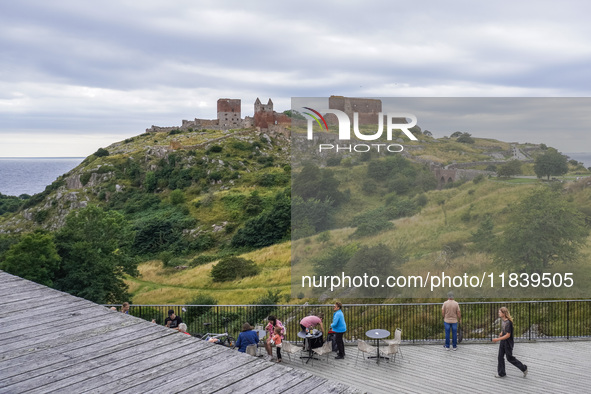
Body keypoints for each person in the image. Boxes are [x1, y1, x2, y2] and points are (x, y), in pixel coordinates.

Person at [493, 307, 528, 378]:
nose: (498, 313)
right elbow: (504, 329)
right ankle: (501, 373)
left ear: (503, 313)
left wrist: (498, 339)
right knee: (500, 357)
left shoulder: (509, 322)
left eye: (499, 312)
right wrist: (501, 332)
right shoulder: (503, 321)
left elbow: (508, 335)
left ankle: (524, 368)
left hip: (508, 343)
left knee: (509, 358)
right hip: (503, 342)